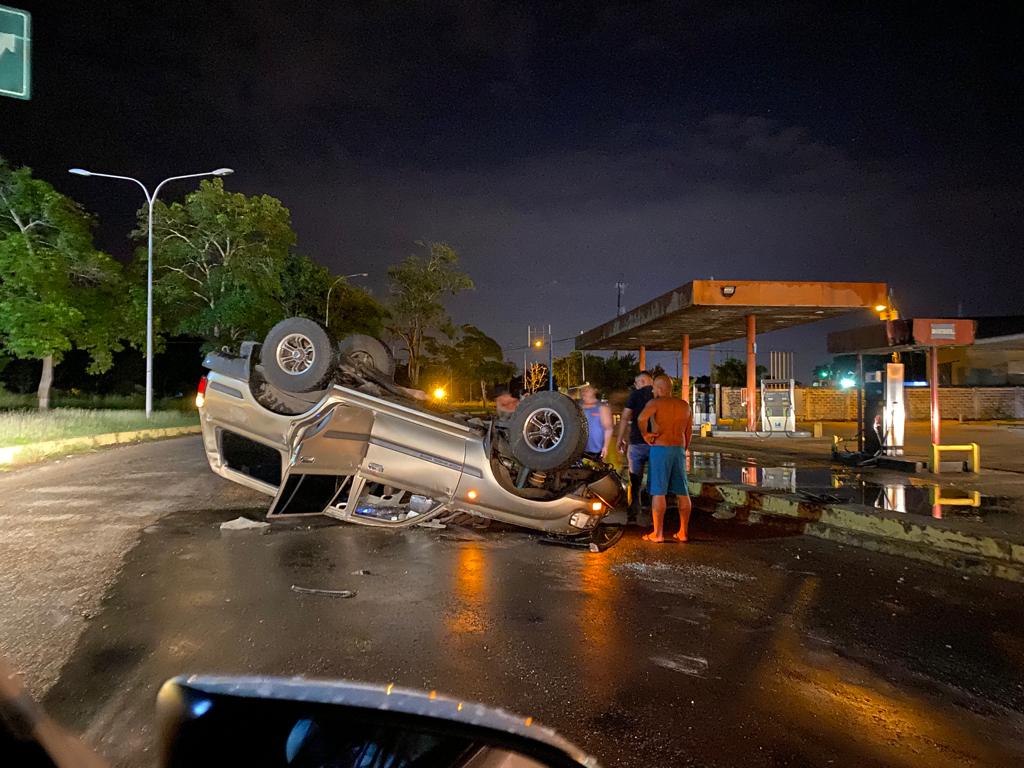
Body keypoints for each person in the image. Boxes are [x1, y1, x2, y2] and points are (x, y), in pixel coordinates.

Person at [637, 374, 693, 543]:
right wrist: (684, 447)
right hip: (678, 449)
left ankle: (658, 533)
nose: (653, 390)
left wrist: (645, 434)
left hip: (660, 448)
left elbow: (641, 418)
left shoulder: (655, 403)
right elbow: (688, 431)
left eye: (654, 387)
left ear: (660, 389)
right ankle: (683, 532)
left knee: (658, 491)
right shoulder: (684, 406)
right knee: (683, 492)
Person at [616, 371, 654, 524]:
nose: (636, 386)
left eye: (636, 383)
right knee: (655, 479)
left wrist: (620, 439)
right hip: (656, 444)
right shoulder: (658, 395)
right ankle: (652, 511)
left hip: (637, 443)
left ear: (643, 381)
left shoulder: (635, 395)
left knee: (634, 480)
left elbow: (625, 417)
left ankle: (632, 512)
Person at [579, 385, 613, 460]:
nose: (585, 390)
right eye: (583, 389)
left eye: (588, 389)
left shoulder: (602, 407)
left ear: (594, 391)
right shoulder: (577, 406)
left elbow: (608, 429)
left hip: (596, 451)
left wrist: (605, 447)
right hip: (578, 450)